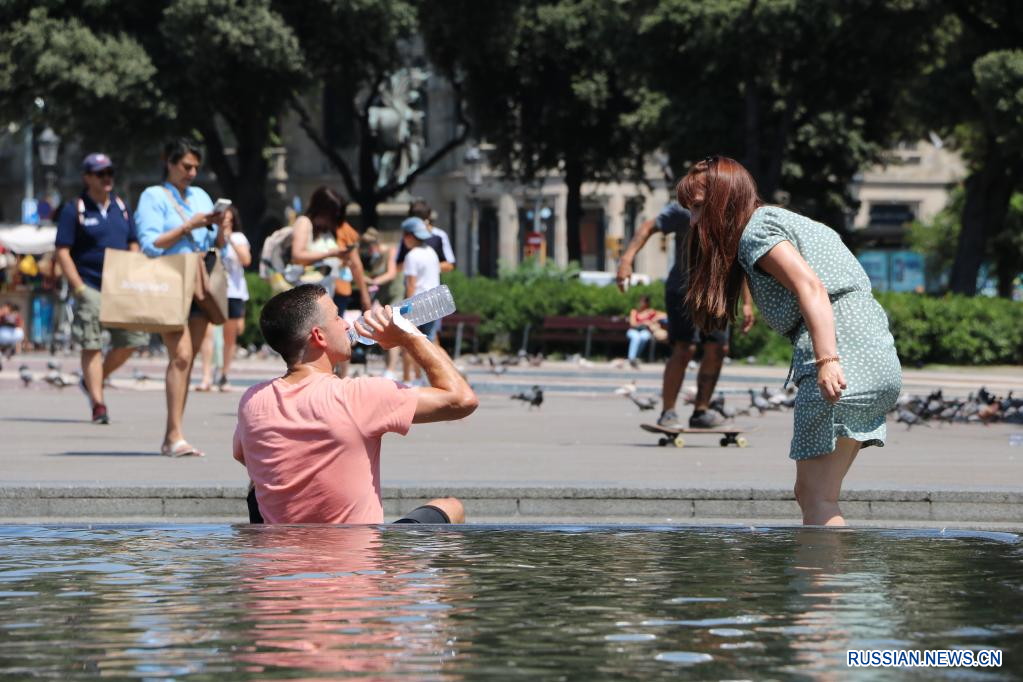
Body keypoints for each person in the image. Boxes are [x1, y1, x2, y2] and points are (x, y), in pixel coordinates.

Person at [677, 155, 901, 526]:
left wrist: (827, 359)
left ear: (724, 199)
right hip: (876, 355)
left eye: (699, 208)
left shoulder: (756, 230)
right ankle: (849, 584)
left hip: (842, 356)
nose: (694, 221)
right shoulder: (782, 220)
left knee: (816, 498)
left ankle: (824, 583)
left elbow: (809, 286)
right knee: (817, 495)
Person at [233, 284, 478, 524]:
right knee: (451, 508)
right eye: (337, 317)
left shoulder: (252, 401)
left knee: (257, 488)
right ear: (319, 336)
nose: (347, 324)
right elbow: (462, 399)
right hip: (358, 561)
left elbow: (241, 454)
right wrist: (408, 335)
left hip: (281, 559)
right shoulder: (358, 396)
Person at [617, 202, 755, 428]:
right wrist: (626, 260)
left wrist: (747, 303)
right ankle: (668, 411)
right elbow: (648, 227)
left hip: (716, 293)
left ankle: (701, 411)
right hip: (683, 289)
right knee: (684, 348)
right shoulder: (684, 210)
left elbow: (741, 259)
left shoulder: (733, 211)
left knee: (718, 349)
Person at [135, 138, 227, 457]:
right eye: (186, 166)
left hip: (199, 282)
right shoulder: (153, 196)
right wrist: (190, 224)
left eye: (196, 167)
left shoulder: (201, 195)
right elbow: (150, 244)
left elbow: (215, 241)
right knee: (182, 355)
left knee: (186, 362)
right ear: (169, 163)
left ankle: (174, 433)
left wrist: (220, 225)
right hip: (169, 279)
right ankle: (174, 435)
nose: (191, 172)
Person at [54, 153, 149, 424]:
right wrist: (79, 288)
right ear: (87, 178)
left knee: (134, 340)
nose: (107, 178)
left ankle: (93, 380)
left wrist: (132, 268)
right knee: (92, 343)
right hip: (90, 285)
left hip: (120, 286)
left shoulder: (121, 206)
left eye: (110, 173)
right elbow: (62, 251)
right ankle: (98, 403)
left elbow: (133, 241)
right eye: (100, 174)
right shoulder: (75, 208)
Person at [196, 205, 250, 391]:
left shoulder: (239, 238)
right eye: (222, 218)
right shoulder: (210, 237)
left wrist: (229, 239)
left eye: (228, 219)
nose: (225, 222)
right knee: (208, 333)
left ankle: (224, 374)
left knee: (229, 337)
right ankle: (206, 375)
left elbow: (246, 260)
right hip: (213, 291)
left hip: (233, 292)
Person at [400, 216, 441, 385]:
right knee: (431, 342)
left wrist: (405, 311)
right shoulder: (431, 252)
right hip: (435, 301)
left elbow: (411, 285)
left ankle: (415, 378)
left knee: (411, 343)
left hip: (418, 303)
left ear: (409, 236)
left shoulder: (412, 256)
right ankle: (436, 378)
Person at [361, 227, 402, 381]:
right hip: (383, 297)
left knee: (393, 330)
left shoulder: (391, 251)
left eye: (369, 249)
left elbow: (391, 273)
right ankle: (388, 369)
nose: (369, 253)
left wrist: (373, 282)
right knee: (385, 332)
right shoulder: (375, 258)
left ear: (375, 245)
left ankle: (391, 370)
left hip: (395, 295)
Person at [625, 295, 666, 369]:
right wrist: (645, 322)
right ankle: (632, 358)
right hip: (633, 331)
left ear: (647, 303)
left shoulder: (651, 312)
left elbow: (665, 315)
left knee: (644, 337)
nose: (641, 303)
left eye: (643, 302)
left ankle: (635, 357)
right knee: (636, 337)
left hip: (645, 331)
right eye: (641, 301)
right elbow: (633, 324)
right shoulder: (634, 311)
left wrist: (655, 318)